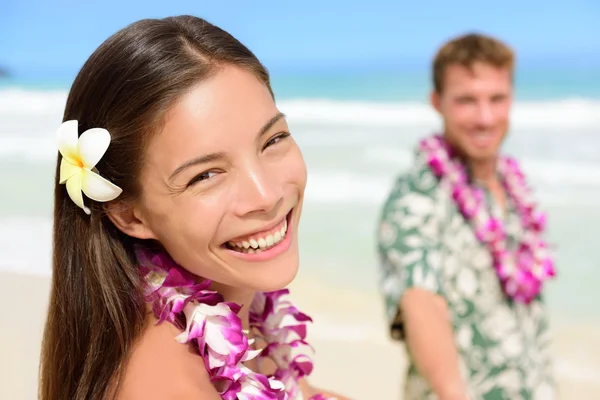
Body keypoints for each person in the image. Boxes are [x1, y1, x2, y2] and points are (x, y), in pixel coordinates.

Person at [39, 15, 349, 400]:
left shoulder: (242, 309)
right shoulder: (163, 387)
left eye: (273, 139)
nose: (265, 195)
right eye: (204, 175)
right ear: (129, 215)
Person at [376, 33, 557, 400]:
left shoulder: (513, 184)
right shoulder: (418, 194)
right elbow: (421, 301)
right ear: (437, 102)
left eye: (496, 98)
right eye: (466, 101)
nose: (485, 117)